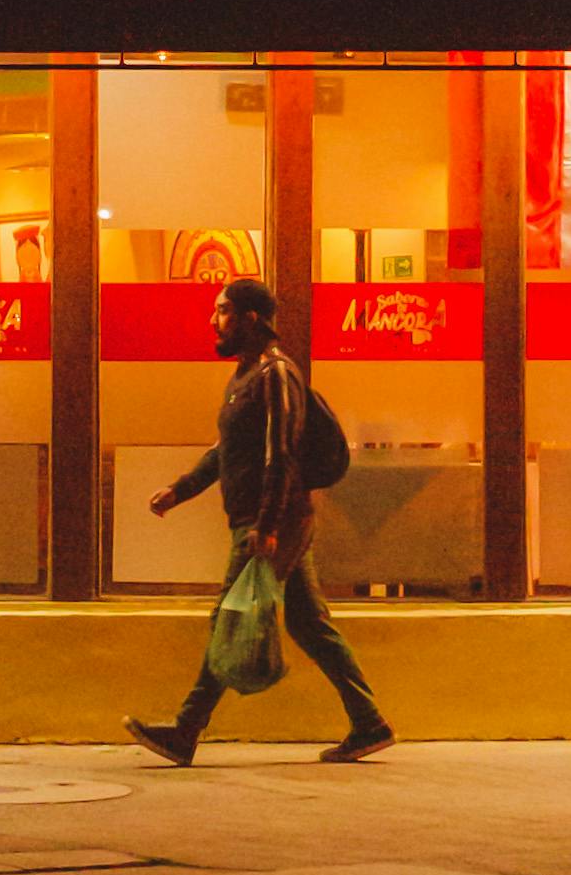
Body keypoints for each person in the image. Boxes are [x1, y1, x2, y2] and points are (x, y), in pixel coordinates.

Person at [127, 275, 394, 767]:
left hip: (273, 520)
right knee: (311, 626)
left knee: (229, 616)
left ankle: (185, 731)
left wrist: (267, 525)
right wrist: (180, 490)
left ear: (250, 318)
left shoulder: (276, 373)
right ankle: (369, 723)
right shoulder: (244, 378)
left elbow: (282, 453)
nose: (214, 320)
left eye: (223, 311)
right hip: (265, 519)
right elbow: (225, 452)